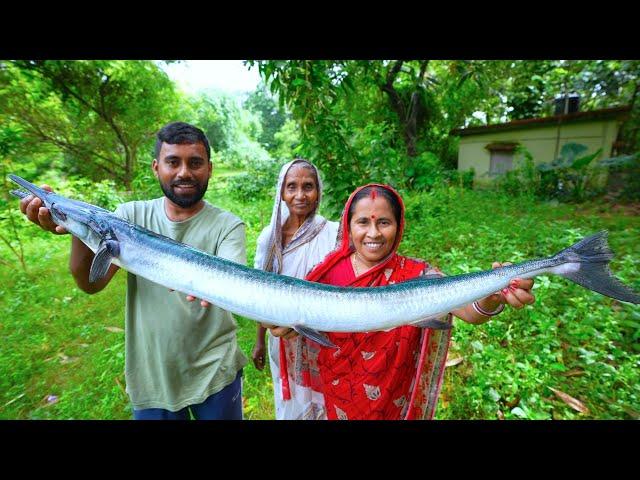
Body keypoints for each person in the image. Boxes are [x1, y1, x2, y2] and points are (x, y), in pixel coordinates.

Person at [18, 121, 248, 420]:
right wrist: (74, 228)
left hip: (217, 371)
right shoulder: (129, 216)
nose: (183, 172)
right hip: (151, 375)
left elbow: (236, 281)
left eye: (195, 163)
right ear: (156, 167)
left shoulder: (228, 224)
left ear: (209, 168)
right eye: (172, 162)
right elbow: (91, 284)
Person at [267, 183, 535, 420]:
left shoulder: (417, 276)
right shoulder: (324, 274)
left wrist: (492, 297)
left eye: (384, 222)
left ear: (399, 225)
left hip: (393, 399)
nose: (373, 233)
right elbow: (301, 323)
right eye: (363, 222)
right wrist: (286, 327)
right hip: (338, 395)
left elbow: (471, 311)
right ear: (348, 226)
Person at [252, 159, 339, 420]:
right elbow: (260, 292)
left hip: (321, 339)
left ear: (318, 192)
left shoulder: (332, 233)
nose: (300, 195)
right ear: (281, 192)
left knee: (325, 404)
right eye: (292, 187)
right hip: (282, 341)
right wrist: (258, 340)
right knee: (291, 407)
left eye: (308, 186)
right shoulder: (270, 237)